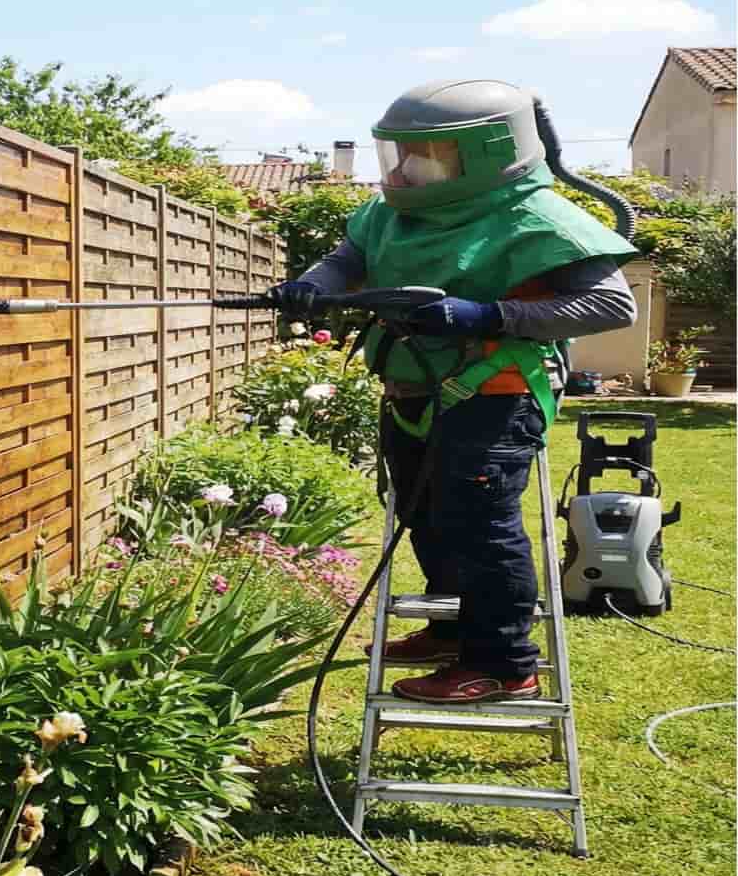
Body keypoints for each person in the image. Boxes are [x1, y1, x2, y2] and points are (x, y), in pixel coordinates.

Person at [268, 79, 637, 704]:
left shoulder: (539, 216)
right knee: (424, 514)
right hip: (410, 388)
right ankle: (450, 629)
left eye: (426, 155)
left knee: (479, 523)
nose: (407, 170)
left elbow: (608, 304)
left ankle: (504, 664)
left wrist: (487, 316)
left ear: (486, 154)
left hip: (495, 392)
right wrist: (311, 284)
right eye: (400, 154)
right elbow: (345, 260)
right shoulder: (391, 211)